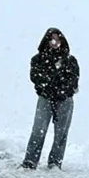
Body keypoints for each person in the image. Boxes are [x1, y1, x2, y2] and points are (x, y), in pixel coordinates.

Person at [22, 28, 79, 170]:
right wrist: (48, 88)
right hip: (45, 99)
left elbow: (73, 80)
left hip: (65, 100)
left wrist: (62, 91)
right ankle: (30, 160)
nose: (54, 43)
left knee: (61, 132)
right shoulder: (38, 59)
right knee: (38, 129)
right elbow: (35, 78)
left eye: (57, 39)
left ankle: (55, 162)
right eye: (52, 39)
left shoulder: (70, 60)